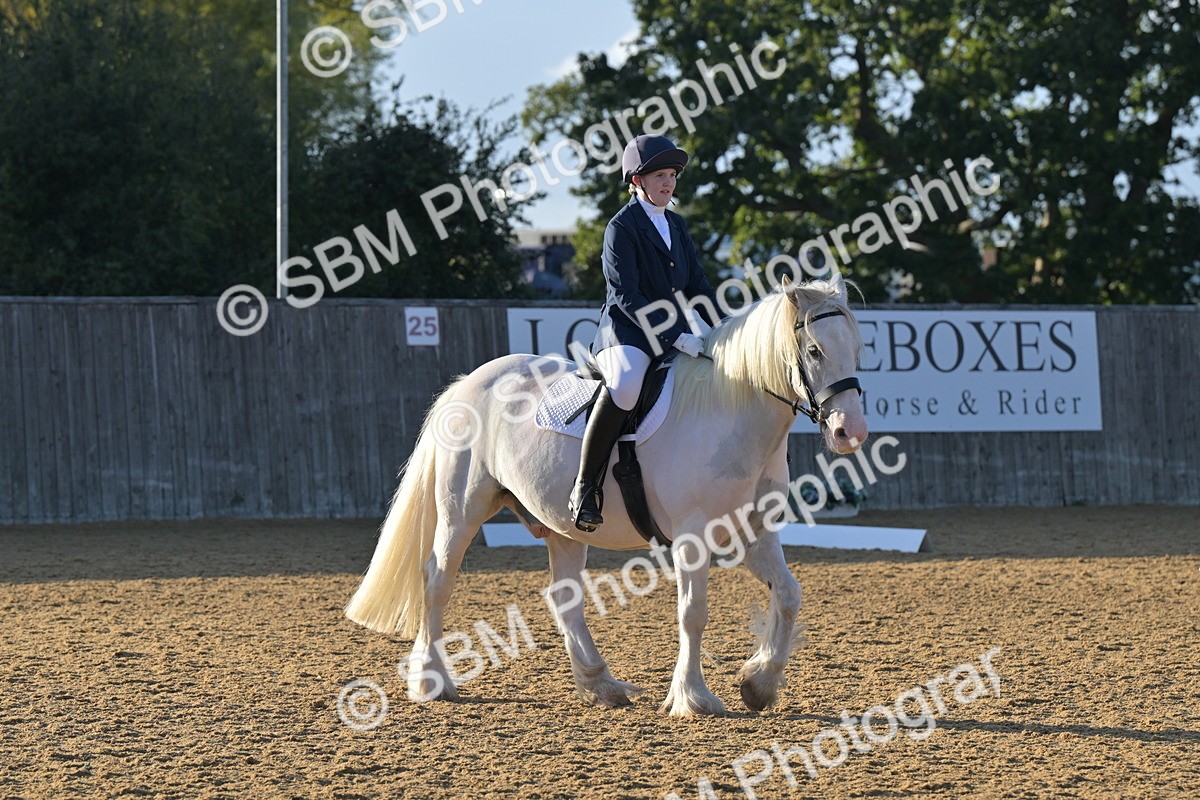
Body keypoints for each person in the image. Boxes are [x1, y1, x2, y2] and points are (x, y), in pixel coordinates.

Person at [568, 134, 724, 532]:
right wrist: (675, 336)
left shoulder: (676, 223)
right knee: (624, 387)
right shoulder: (621, 227)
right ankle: (585, 487)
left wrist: (723, 329)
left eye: (672, 175)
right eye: (658, 175)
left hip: (674, 330)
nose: (668, 182)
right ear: (636, 180)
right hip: (627, 333)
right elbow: (626, 296)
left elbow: (699, 287)